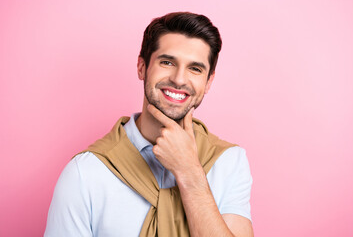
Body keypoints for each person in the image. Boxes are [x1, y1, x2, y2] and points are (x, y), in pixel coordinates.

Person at [45, 12, 253, 237]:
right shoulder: (85, 173)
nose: (179, 79)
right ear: (142, 67)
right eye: (167, 62)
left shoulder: (230, 162)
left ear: (208, 81)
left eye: (195, 68)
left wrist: (190, 173)